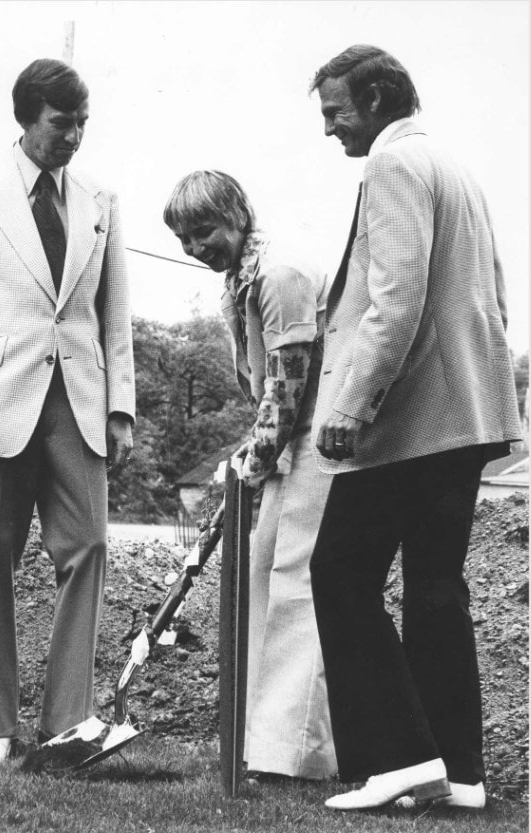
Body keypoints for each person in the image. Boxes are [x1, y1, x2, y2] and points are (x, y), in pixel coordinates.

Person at [307, 44, 522, 810]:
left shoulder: (393, 168)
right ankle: (462, 774)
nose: (330, 128)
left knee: (339, 575)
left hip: (412, 417)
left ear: (374, 101)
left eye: (335, 111)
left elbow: (394, 301)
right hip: (470, 413)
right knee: (435, 587)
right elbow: (492, 294)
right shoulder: (455, 167)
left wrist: (351, 404)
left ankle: (399, 755)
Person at [0, 58, 135, 761]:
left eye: (82, 123)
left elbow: (115, 315)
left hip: (79, 402)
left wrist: (121, 408)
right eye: (60, 122)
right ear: (27, 118)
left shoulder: (102, 197)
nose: (73, 136)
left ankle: (68, 720)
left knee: (90, 545)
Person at [163, 170, 337, 781]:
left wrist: (254, 461)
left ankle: (294, 757)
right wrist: (252, 455)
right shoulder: (243, 280)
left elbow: (290, 384)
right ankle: (264, 743)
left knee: (295, 589)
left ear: (238, 214)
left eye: (202, 231)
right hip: (294, 449)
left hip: (322, 447)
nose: (194, 248)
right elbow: (270, 392)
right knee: (266, 582)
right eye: (184, 239)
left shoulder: (280, 275)